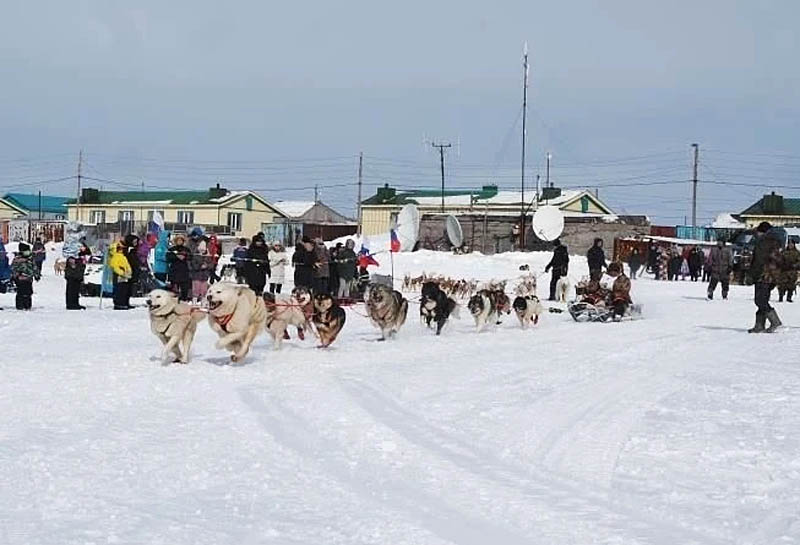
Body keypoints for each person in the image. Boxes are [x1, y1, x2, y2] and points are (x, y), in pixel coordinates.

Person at [748, 221, 782, 333]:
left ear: (761, 232)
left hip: (763, 275)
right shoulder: (775, 241)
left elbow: (758, 261)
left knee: (760, 300)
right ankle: (759, 325)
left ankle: (775, 321)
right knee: (763, 299)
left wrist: (752, 275)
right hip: (772, 275)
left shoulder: (763, 243)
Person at [11, 242, 40, 310]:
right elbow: (13, 268)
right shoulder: (17, 259)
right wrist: (14, 276)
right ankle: (20, 305)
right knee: (20, 292)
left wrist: (37, 275)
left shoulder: (30, 259)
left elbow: (34, 267)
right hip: (20, 279)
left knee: (28, 292)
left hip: (28, 279)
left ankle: (27, 305)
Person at [109, 241, 133, 310]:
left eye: (122, 248)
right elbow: (115, 267)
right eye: (119, 248)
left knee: (124, 290)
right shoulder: (114, 257)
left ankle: (123, 303)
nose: (121, 249)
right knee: (118, 290)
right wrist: (122, 273)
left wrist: (129, 272)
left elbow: (127, 265)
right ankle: (118, 304)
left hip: (125, 276)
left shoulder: (123, 256)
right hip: (118, 276)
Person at [167, 235, 192, 301]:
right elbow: (168, 258)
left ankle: (184, 300)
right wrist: (177, 257)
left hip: (184, 272)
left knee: (184, 290)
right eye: (178, 240)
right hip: (174, 272)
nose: (179, 241)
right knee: (174, 290)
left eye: (181, 240)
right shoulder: (172, 249)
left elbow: (190, 257)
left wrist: (184, 257)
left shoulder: (186, 249)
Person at [190, 239, 213, 304]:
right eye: (201, 249)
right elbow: (193, 265)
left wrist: (207, 266)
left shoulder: (208, 256)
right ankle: (194, 302)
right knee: (196, 290)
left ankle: (203, 303)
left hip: (204, 276)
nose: (202, 250)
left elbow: (211, 265)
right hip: (196, 276)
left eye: (203, 249)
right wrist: (200, 266)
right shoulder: (195, 256)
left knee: (204, 290)